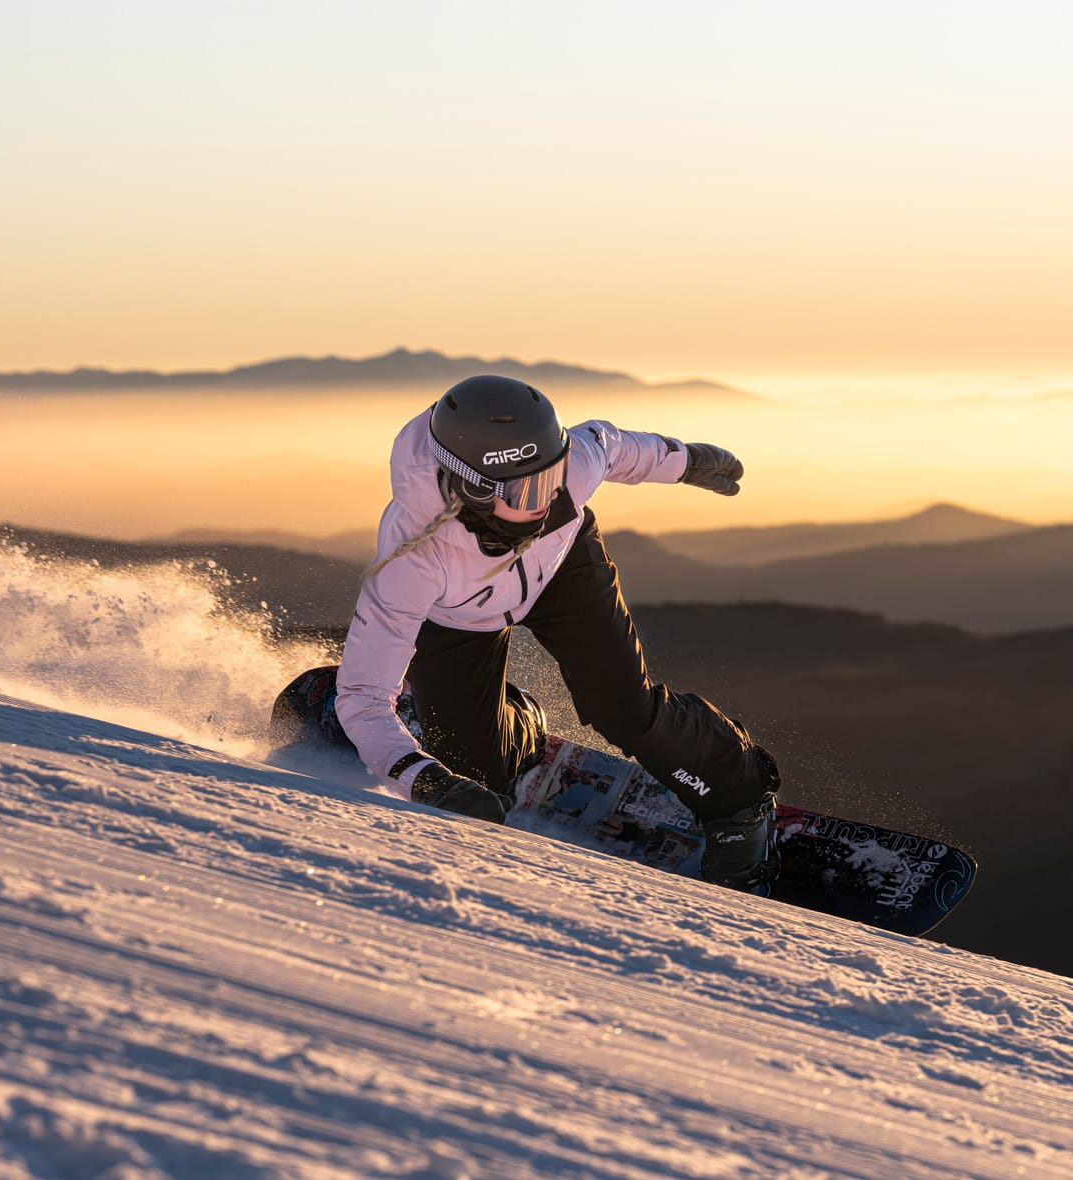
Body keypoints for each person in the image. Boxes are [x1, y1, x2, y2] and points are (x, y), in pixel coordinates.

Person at [330, 373, 782, 891]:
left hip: (562, 570)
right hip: (457, 616)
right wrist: (422, 778)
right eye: (528, 488)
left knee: (623, 709)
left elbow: (611, 446)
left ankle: (739, 800)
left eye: (553, 475)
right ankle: (512, 723)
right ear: (473, 489)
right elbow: (362, 695)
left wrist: (685, 460)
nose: (548, 498)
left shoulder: (567, 472)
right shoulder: (412, 561)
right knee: (476, 782)